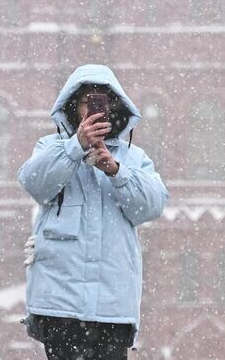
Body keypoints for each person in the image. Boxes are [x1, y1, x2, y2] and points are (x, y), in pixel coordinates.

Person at [18, 64, 168, 360]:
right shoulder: (52, 146)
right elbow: (35, 183)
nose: (95, 108)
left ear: (114, 107)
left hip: (112, 306)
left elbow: (151, 206)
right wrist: (76, 147)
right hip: (60, 304)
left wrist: (116, 171)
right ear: (75, 108)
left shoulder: (132, 157)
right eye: (88, 101)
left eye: (103, 100)